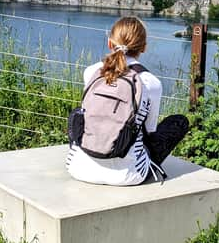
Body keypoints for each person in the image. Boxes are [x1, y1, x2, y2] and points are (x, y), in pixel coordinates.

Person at [66, 16, 189, 186]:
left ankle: (83, 153)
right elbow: (149, 131)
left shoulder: (91, 72)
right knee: (179, 122)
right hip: (129, 175)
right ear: (144, 48)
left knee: (77, 113)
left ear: (110, 43)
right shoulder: (150, 82)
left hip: (79, 168)